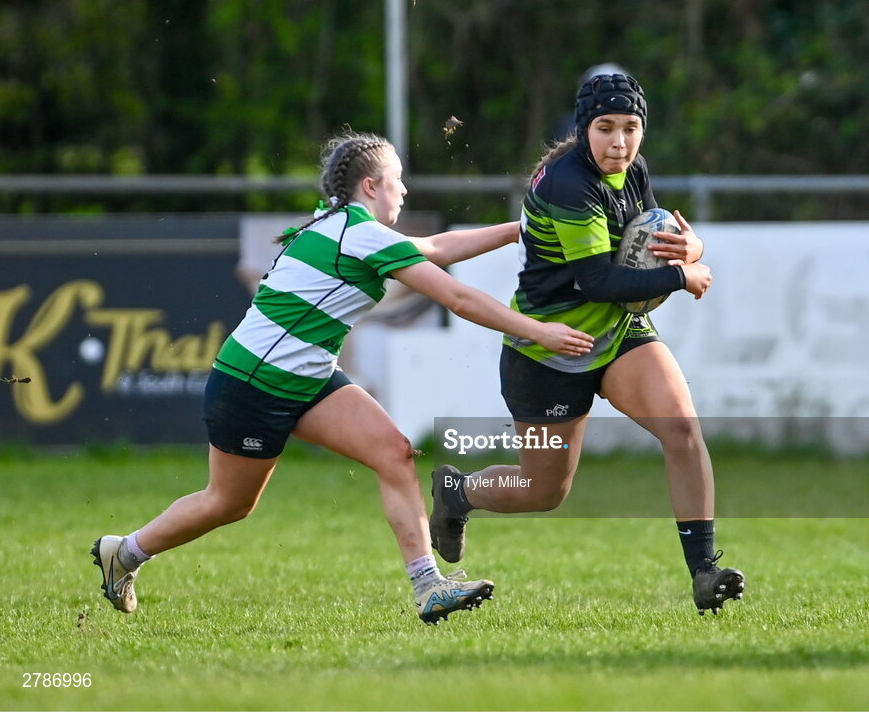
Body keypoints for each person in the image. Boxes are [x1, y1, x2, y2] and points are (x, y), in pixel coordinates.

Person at [91, 131, 595, 626]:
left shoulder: (346, 226)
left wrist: (519, 228)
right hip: (253, 383)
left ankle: (429, 587)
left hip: (307, 379)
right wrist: (537, 331)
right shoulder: (358, 234)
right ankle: (126, 553)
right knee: (228, 503)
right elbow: (457, 297)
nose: (405, 190)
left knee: (395, 453)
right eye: (398, 179)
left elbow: (436, 246)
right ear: (371, 187)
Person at [428, 74, 746, 615]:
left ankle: (703, 571)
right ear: (583, 129)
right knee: (543, 491)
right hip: (550, 349)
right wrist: (680, 278)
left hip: (619, 333)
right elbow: (601, 280)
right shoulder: (568, 185)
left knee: (683, 428)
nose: (619, 143)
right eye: (606, 129)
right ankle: (458, 493)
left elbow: (651, 237)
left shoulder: (632, 168)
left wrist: (691, 246)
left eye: (631, 128)